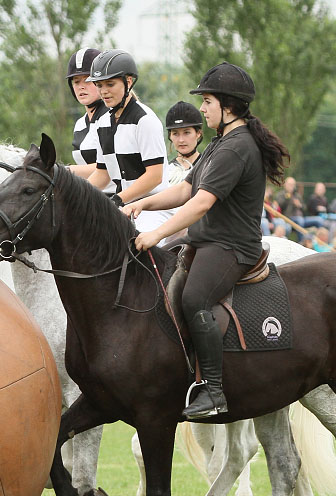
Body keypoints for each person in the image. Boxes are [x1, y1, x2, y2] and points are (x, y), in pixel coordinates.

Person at [123, 62, 289, 419]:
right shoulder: (221, 144)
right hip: (207, 242)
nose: (202, 108)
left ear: (227, 106)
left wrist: (156, 233)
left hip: (232, 247)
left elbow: (201, 202)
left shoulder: (236, 148)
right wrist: (138, 204)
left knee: (194, 297)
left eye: (208, 101)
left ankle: (214, 391)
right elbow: (184, 189)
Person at [85, 50, 172, 232]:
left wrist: (118, 198)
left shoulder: (145, 120)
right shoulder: (102, 123)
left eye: (110, 84)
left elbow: (155, 176)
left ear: (128, 82)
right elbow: (102, 174)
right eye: (99, 85)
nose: (104, 91)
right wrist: (76, 193)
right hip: (123, 207)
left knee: (137, 245)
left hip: (153, 208)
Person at [65, 48, 107, 179]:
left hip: (118, 194)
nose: (81, 86)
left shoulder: (111, 118)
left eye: (87, 80)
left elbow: (108, 167)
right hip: (93, 193)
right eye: (76, 81)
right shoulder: (80, 124)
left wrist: (63, 170)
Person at [165, 100, 204, 184]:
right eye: (175, 133)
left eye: (187, 133)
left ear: (198, 133)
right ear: (170, 136)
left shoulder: (208, 166)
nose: (181, 140)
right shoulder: (166, 171)